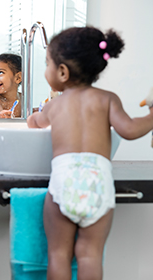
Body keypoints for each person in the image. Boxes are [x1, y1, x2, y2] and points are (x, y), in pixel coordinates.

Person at [27, 26, 153, 280]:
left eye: (47, 63)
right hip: (99, 184)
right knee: (89, 254)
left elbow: (35, 122)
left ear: (62, 72)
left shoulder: (55, 105)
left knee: (59, 255)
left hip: (65, 182)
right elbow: (128, 129)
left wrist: (32, 117)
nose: (45, 70)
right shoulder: (108, 99)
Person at [0, 53, 22, 118]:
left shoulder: (22, 98)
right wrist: (0, 115)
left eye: (0, 73)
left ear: (18, 78)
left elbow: (28, 112)